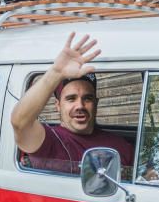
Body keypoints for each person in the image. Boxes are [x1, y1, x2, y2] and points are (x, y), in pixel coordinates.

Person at [11, 33, 133, 174]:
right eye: (71, 99)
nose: (80, 106)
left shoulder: (120, 145)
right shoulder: (49, 141)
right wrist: (56, 72)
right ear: (57, 105)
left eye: (87, 98)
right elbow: (20, 123)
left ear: (96, 103)